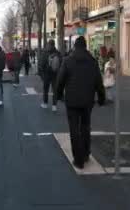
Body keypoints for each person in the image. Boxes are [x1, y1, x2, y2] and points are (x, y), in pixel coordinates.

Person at [56, 36, 105, 169]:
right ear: (85, 46)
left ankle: (78, 160)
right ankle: (85, 153)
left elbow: (60, 80)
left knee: (74, 130)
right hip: (87, 100)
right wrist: (101, 98)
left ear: (74, 46)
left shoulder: (68, 61)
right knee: (85, 127)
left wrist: (58, 95)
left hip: (71, 100)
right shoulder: (92, 61)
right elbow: (98, 82)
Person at [38, 40, 62, 111]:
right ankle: (54, 105)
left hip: (47, 74)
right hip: (55, 74)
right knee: (55, 90)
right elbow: (61, 63)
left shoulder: (45, 53)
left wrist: (41, 74)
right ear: (54, 45)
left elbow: (41, 64)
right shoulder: (58, 53)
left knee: (46, 89)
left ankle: (45, 103)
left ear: (48, 44)